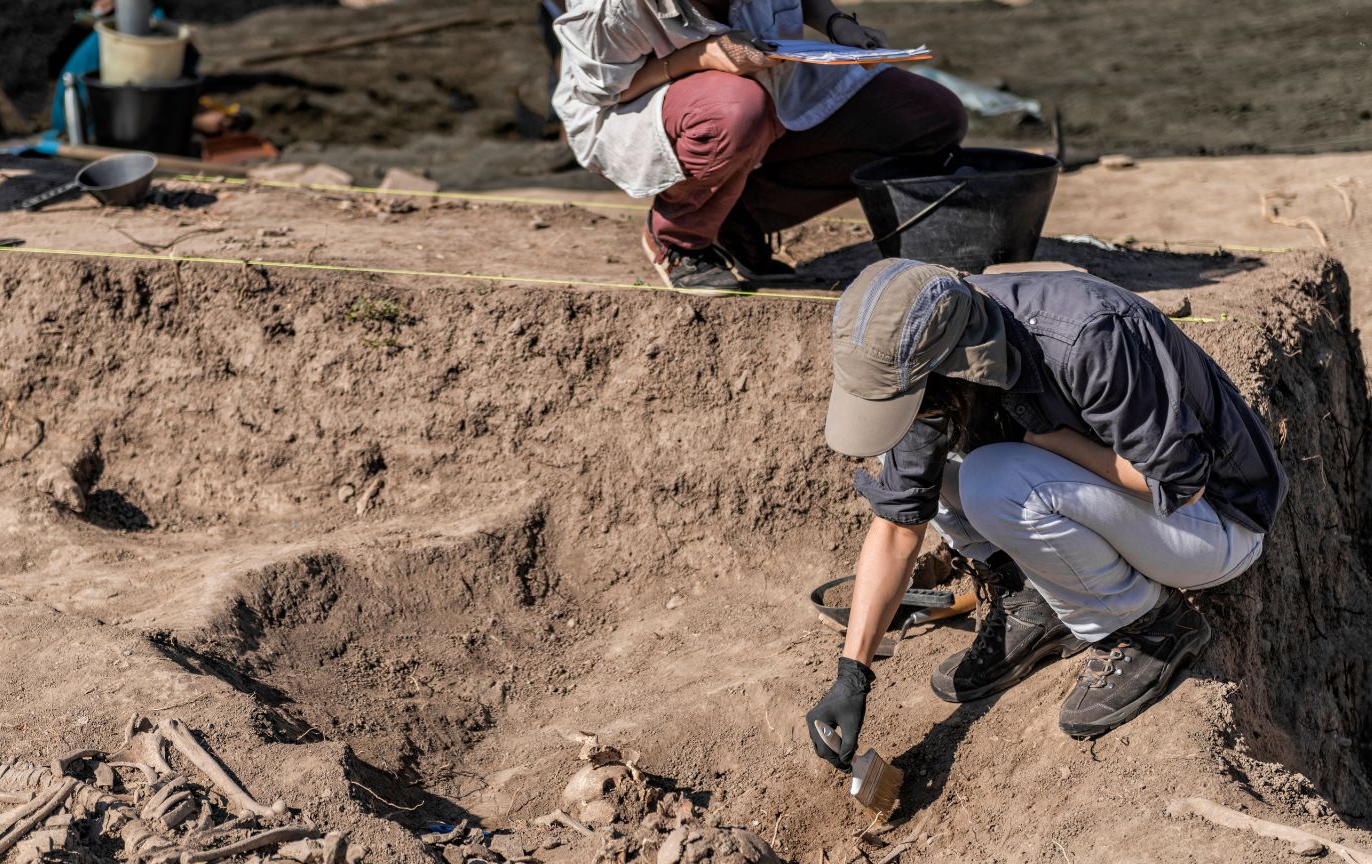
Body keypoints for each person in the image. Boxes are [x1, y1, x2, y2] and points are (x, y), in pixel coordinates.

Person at [806, 259, 1288, 771]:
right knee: (914, 458)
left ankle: (1145, 628)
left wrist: (1049, 442)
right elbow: (899, 524)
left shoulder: (1087, 339)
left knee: (993, 481)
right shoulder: (938, 355)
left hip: (1214, 524)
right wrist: (852, 674)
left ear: (947, 362)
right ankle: (1034, 603)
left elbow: (1180, 485)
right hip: (1115, 504)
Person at [550, 1, 967, 292]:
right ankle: (679, 237)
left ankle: (733, 217)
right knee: (736, 110)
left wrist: (838, 24)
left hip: (766, 80)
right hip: (636, 105)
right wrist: (699, 57)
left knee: (928, 117)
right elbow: (607, 92)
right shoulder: (610, 7)